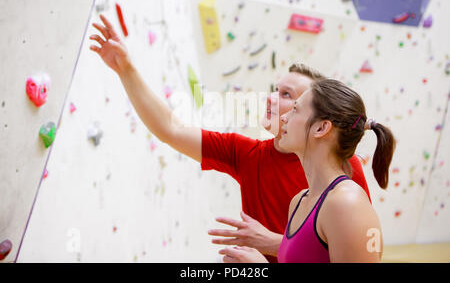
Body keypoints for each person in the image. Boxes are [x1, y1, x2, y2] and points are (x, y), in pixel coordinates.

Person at [89, 14, 372, 262]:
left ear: (321, 126)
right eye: (274, 89)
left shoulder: (345, 178)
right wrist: (126, 69)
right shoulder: (258, 163)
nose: (272, 100)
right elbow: (170, 128)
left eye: (289, 98)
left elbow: (359, 249)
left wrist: (270, 244)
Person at [218, 79, 395, 263]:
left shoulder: (346, 203)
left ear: (321, 128)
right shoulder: (299, 202)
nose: (284, 117)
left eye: (295, 109)